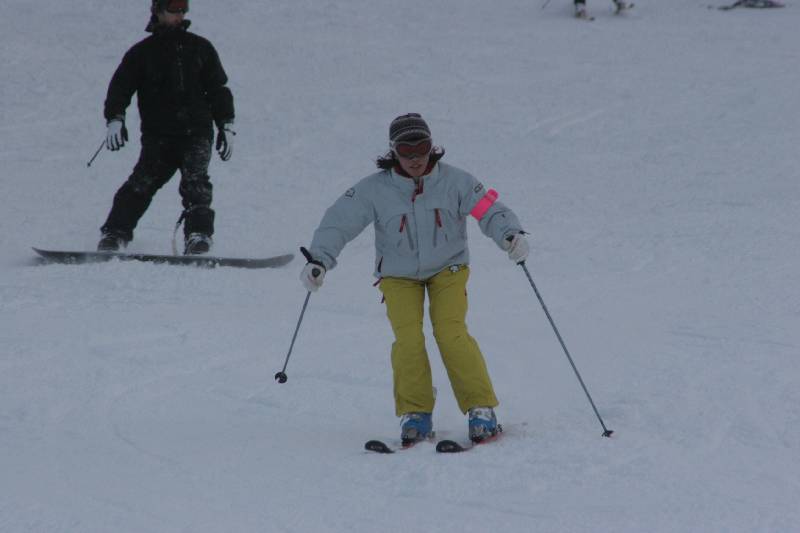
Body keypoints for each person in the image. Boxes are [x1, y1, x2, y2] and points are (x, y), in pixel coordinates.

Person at [300, 113, 529, 444]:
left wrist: (510, 234)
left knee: (450, 332)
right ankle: (416, 412)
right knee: (407, 339)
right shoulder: (374, 190)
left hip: (448, 269)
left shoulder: (455, 182)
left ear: (431, 146)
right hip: (398, 275)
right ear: (393, 151)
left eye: (421, 147)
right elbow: (340, 222)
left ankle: (481, 408)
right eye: (406, 150)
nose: (415, 158)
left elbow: (488, 210)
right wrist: (319, 259)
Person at [97, 0, 235, 255]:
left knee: (196, 185)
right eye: (173, 10)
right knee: (141, 184)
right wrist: (115, 118)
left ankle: (198, 237)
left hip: (196, 134)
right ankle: (114, 234)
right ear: (158, 12)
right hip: (158, 137)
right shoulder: (141, 53)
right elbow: (120, 87)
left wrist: (226, 125)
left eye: (183, 10)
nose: (179, 15)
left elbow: (218, 90)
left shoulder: (200, 48)